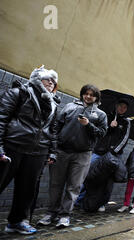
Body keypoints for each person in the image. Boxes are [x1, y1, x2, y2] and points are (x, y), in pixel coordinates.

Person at [37, 84, 108, 228]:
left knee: (74, 186)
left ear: (96, 98)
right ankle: (51, 213)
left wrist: (88, 125)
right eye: (86, 93)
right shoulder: (69, 106)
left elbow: (102, 133)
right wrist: (54, 147)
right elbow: (57, 125)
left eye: (92, 94)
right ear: (82, 94)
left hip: (83, 154)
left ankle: (64, 215)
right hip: (62, 151)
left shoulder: (100, 114)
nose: (88, 96)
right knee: (55, 184)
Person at [0, 66, 59, 235]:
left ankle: (16, 222)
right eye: (48, 79)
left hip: (37, 152)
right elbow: (2, 118)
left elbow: (53, 131)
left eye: (54, 81)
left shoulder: (53, 103)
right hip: (12, 146)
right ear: (36, 79)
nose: (51, 83)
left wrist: (52, 152)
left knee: (26, 191)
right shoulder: (19, 93)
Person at [75, 99, 130, 211]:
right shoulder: (106, 116)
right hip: (99, 152)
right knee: (87, 174)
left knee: (108, 181)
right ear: (116, 105)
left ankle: (101, 203)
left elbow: (124, 139)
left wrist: (113, 151)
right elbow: (99, 132)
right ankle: (77, 200)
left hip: (114, 155)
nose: (122, 108)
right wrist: (110, 127)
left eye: (124, 107)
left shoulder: (126, 122)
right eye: (120, 106)